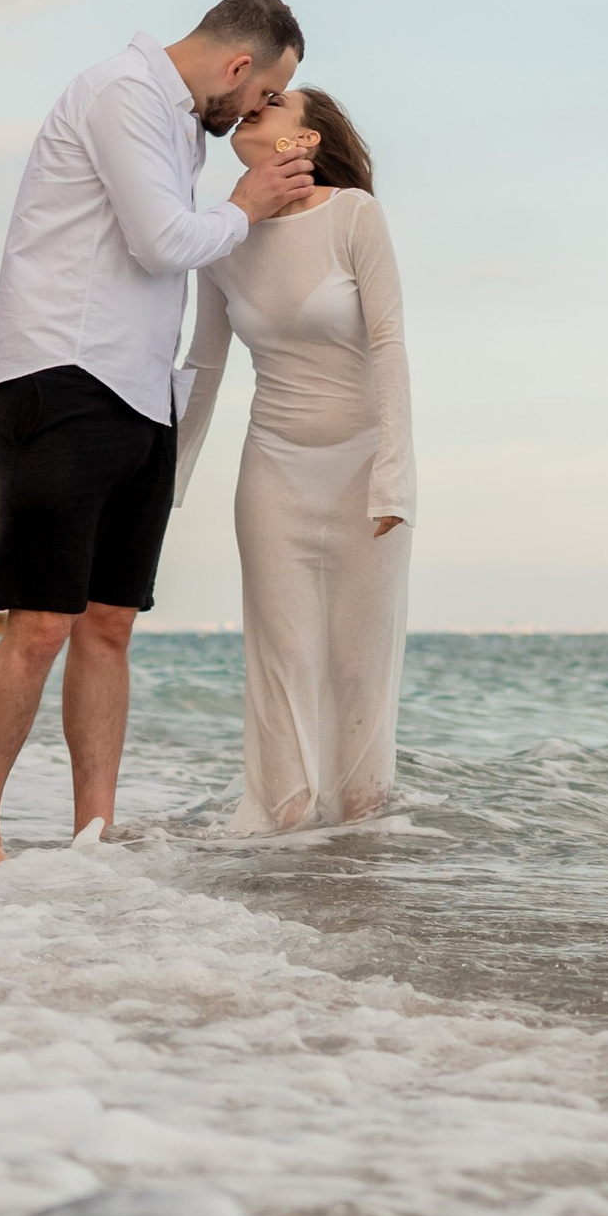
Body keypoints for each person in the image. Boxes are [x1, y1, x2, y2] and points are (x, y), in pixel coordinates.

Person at [0, 0, 316, 865]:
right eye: (265, 93)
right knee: (40, 623)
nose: (260, 111)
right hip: (60, 374)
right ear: (237, 67)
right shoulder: (122, 91)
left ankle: (95, 835)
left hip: (140, 391)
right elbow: (162, 241)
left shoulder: (182, 122)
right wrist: (251, 203)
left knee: (110, 621)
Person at [174, 84, 412, 830]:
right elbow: (203, 366)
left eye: (278, 103)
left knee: (354, 665)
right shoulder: (224, 239)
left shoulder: (354, 216)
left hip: (362, 465)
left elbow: (390, 345)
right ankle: (284, 832)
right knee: (281, 661)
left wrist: (395, 476)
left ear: (305, 141)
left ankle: (359, 837)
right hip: (273, 464)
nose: (257, 103)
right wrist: (164, 481)